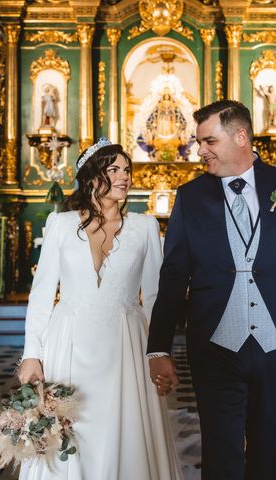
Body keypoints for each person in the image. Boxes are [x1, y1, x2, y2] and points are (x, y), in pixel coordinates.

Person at [147, 100, 276, 479]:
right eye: (199, 142)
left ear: (241, 136)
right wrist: (159, 347)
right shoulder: (191, 196)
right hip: (214, 345)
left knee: (268, 451)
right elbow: (172, 279)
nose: (200, 151)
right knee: (220, 453)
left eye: (209, 141)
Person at [18, 139, 183, 480]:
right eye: (114, 170)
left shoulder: (146, 227)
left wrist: (158, 353)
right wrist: (31, 354)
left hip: (127, 344)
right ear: (92, 178)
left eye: (126, 170)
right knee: (72, 428)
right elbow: (42, 293)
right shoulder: (61, 225)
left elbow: (155, 298)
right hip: (69, 343)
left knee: (124, 426)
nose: (124, 177)